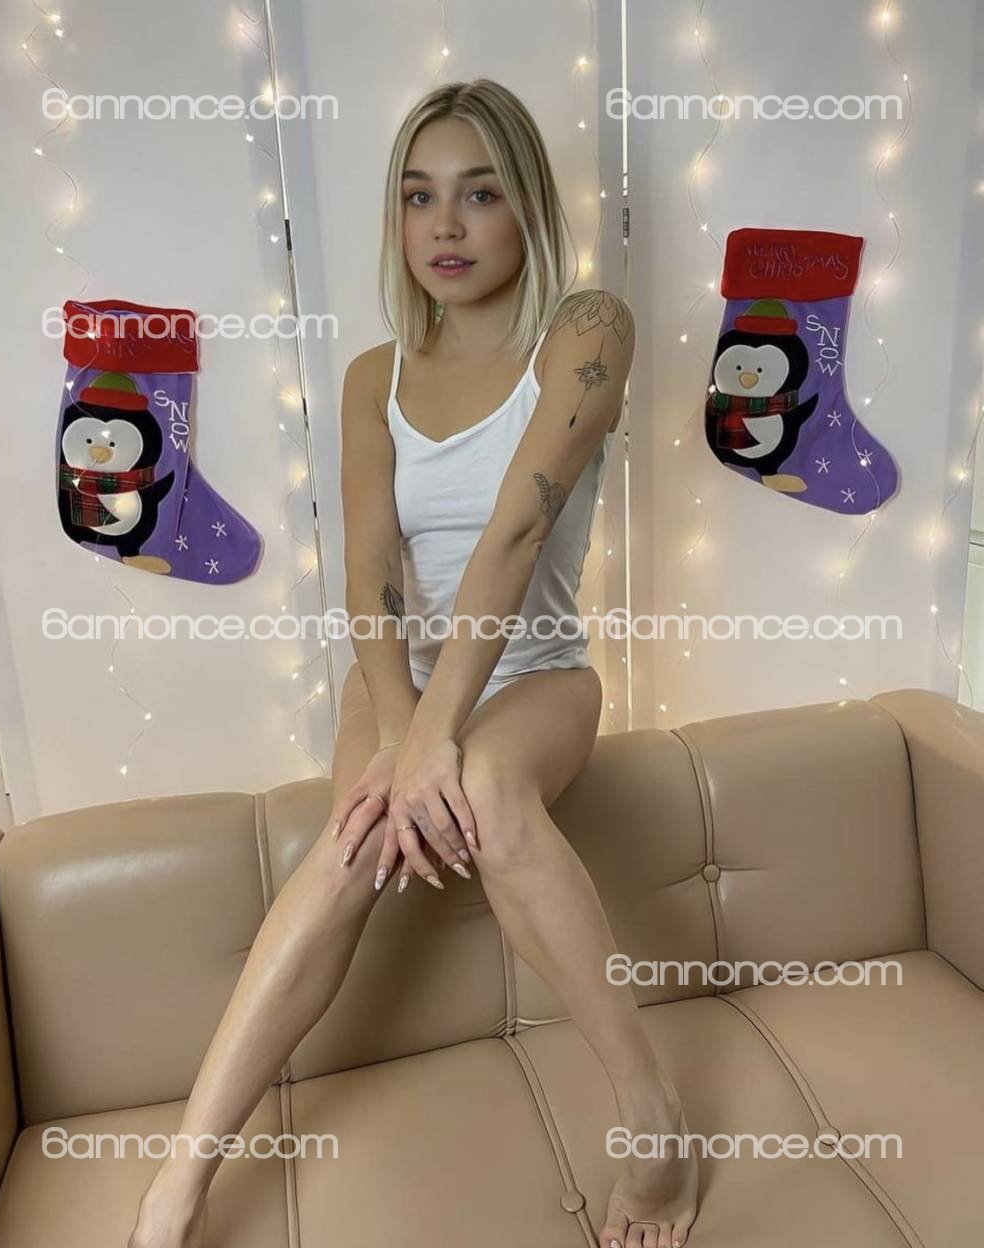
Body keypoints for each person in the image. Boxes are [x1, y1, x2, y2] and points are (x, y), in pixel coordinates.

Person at [129, 78, 698, 1248]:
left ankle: (656, 1128)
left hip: (536, 673)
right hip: (399, 683)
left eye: (479, 194)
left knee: (484, 787)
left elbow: (515, 537)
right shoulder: (369, 378)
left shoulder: (587, 330)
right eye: (418, 196)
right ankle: (174, 1189)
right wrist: (397, 735)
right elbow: (371, 570)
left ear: (526, 205)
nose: (445, 225)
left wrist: (438, 739)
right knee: (347, 845)